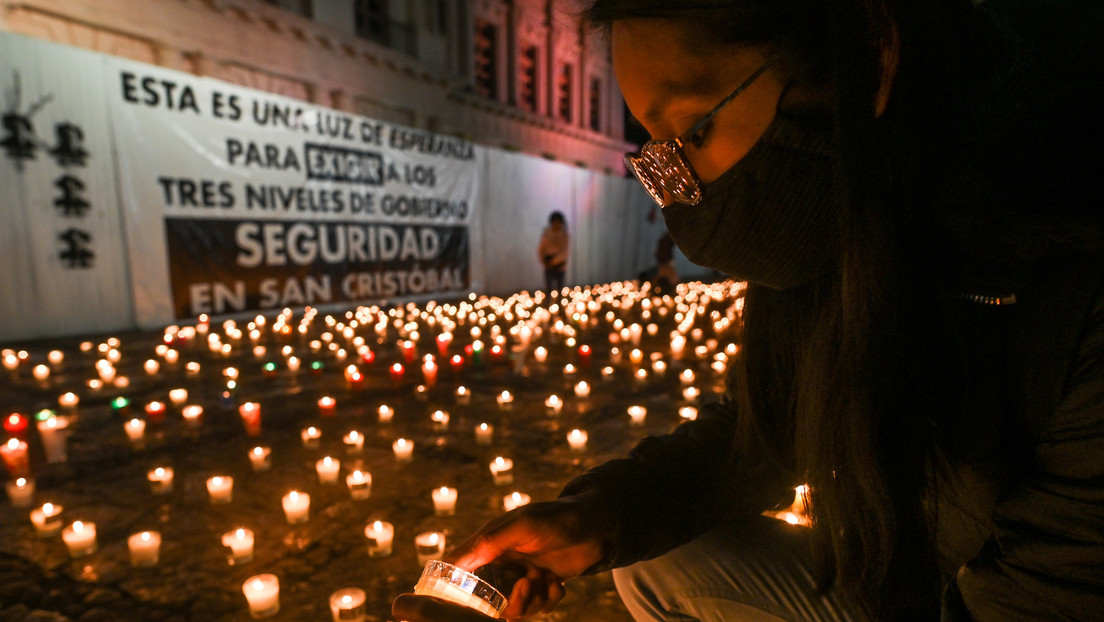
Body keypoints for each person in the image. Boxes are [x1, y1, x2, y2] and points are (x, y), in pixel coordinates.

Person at [394, 0, 1104, 620]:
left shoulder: (1072, 282)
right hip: (908, 570)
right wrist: (600, 516)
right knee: (651, 561)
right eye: (655, 152)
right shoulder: (847, 228)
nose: (679, 192)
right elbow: (770, 428)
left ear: (871, 54)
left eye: (693, 131)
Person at [537, 211, 569, 294]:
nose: (556, 224)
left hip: (560, 266)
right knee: (548, 288)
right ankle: (548, 301)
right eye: (554, 222)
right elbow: (541, 249)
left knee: (559, 289)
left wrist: (554, 261)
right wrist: (544, 261)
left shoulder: (564, 235)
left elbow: (565, 251)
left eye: (558, 222)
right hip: (548, 265)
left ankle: (559, 301)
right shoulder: (547, 234)